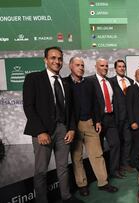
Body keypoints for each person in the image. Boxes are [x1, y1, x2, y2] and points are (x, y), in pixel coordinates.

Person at [22, 47, 82, 203]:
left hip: (63, 130)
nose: (57, 61)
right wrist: (40, 131)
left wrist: (72, 129)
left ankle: (66, 197)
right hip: (43, 131)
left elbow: (71, 110)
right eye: (53, 58)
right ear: (45, 60)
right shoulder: (33, 79)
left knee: (63, 167)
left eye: (60, 58)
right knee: (41, 170)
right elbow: (29, 107)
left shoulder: (66, 83)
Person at [66, 57, 118, 196]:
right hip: (74, 126)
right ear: (70, 66)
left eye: (82, 65)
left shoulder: (89, 83)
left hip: (90, 123)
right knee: (77, 157)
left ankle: (103, 182)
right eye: (77, 65)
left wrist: (98, 121)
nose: (81, 68)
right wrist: (70, 127)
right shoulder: (65, 83)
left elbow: (96, 103)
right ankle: (82, 184)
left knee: (97, 154)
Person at [88, 58, 123, 179]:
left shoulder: (110, 82)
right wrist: (95, 119)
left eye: (106, 66)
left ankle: (114, 170)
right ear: (96, 67)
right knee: (98, 149)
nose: (105, 68)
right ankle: (101, 175)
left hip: (110, 118)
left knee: (115, 144)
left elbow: (115, 101)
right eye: (102, 65)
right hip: (97, 120)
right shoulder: (89, 81)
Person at [110, 59, 135, 174]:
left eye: (123, 66)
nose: (122, 68)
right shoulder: (111, 81)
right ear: (115, 68)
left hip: (128, 118)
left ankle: (125, 164)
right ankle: (117, 166)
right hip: (116, 118)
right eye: (119, 66)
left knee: (128, 141)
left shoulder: (130, 81)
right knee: (117, 143)